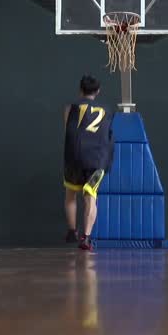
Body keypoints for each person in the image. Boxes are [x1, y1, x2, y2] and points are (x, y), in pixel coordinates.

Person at [63, 74, 114, 251]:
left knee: (71, 194)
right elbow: (108, 134)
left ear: (80, 90)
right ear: (98, 91)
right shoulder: (107, 110)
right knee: (91, 197)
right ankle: (86, 238)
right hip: (97, 159)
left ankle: (71, 231)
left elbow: (67, 129)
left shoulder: (72, 107)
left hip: (74, 156)